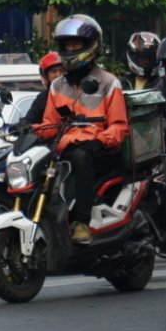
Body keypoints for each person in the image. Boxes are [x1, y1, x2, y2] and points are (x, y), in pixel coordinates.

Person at [37, 14, 129, 244]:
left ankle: (81, 222)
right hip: (65, 146)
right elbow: (50, 124)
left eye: (75, 45)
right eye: (67, 45)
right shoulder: (57, 85)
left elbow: (119, 126)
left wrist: (102, 139)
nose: (70, 49)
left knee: (80, 158)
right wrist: (30, 130)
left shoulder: (108, 82)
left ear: (91, 47)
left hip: (99, 148)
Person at [19, 52, 63, 131]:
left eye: (61, 71)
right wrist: (21, 126)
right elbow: (30, 120)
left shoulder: (76, 93)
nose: (58, 75)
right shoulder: (43, 97)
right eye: (54, 71)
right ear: (46, 76)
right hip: (51, 140)